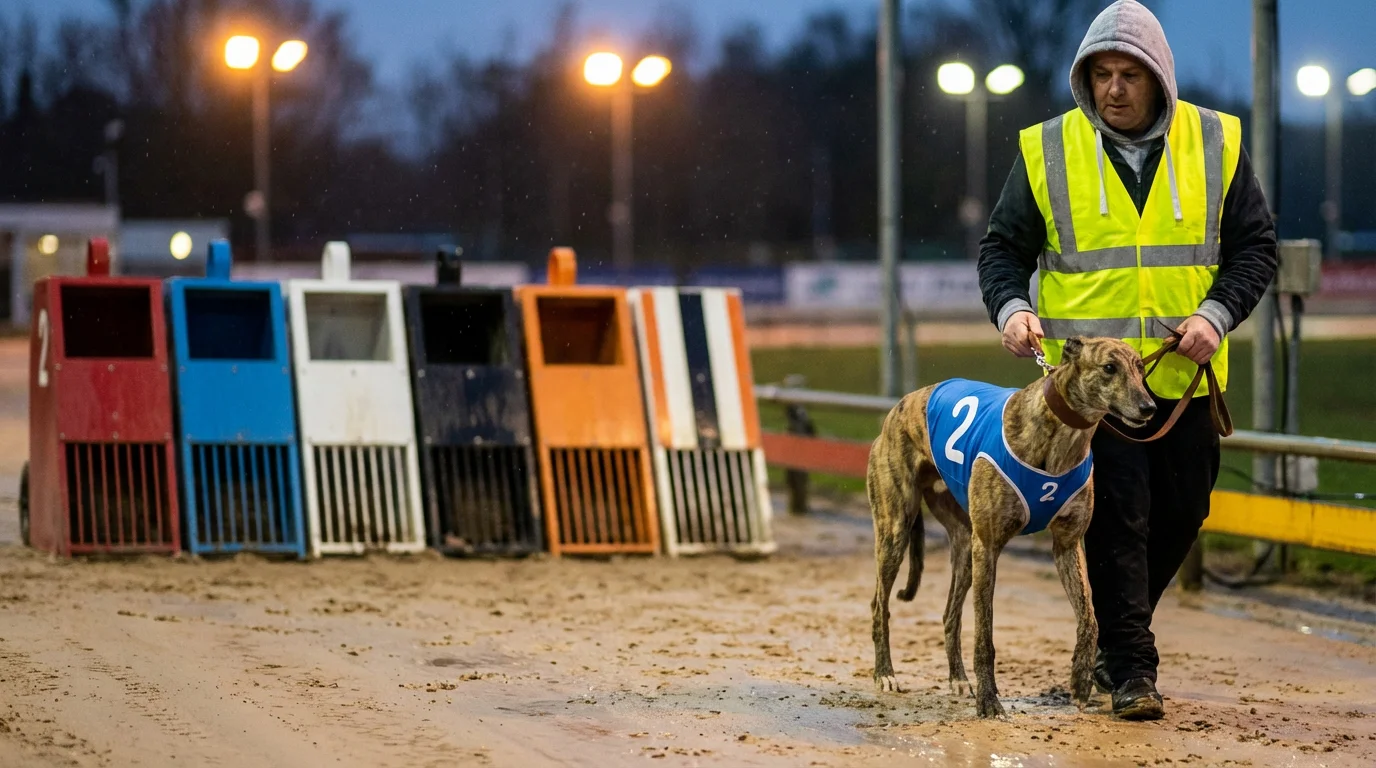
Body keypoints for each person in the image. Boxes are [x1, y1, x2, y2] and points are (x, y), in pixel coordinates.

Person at [976, 0, 1277, 720]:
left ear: (1158, 79)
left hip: (1182, 385)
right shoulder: (1048, 150)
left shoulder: (1216, 142)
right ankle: (1133, 670)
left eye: (1129, 74)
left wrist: (1216, 315)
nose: (1114, 88)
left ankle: (1116, 645)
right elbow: (1002, 251)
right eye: (1101, 74)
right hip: (1089, 398)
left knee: (1181, 514)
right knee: (1119, 524)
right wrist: (1013, 309)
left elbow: (1256, 249)